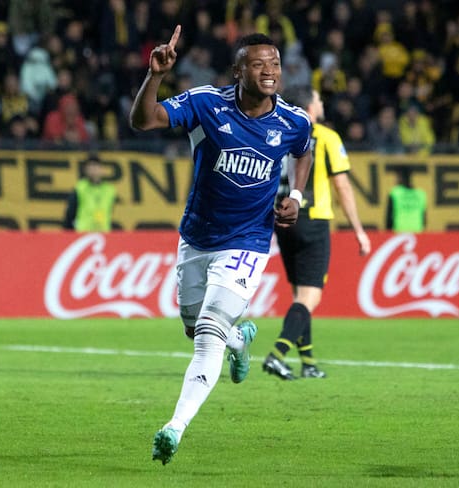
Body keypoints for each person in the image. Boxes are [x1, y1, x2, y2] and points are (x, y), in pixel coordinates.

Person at [129, 26, 313, 465]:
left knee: (205, 336)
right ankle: (239, 339)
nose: (269, 71)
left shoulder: (293, 120)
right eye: (258, 64)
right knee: (195, 327)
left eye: (274, 64)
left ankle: (175, 427)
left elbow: (304, 149)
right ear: (239, 71)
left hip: (247, 242)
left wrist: (296, 196)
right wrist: (154, 76)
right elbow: (144, 121)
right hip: (197, 237)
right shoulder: (206, 103)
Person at [262, 86, 371, 381]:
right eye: (318, 99)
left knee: (299, 293)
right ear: (310, 107)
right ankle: (277, 355)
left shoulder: (277, 132)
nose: (321, 102)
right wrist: (359, 230)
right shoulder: (326, 137)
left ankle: (308, 362)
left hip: (282, 218)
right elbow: (343, 186)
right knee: (309, 297)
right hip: (313, 219)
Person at [63, 153, 116, 231]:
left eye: (95, 166)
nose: (93, 170)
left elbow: (109, 212)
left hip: (104, 234)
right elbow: (70, 214)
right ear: (86, 170)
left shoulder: (110, 190)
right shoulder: (79, 188)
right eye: (90, 167)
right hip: (82, 234)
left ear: (101, 169)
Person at [385, 166, 427, 232]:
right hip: (418, 232)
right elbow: (424, 219)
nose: (395, 180)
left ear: (400, 178)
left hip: (399, 232)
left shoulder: (395, 193)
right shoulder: (421, 194)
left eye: (397, 177)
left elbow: (389, 218)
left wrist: (388, 233)